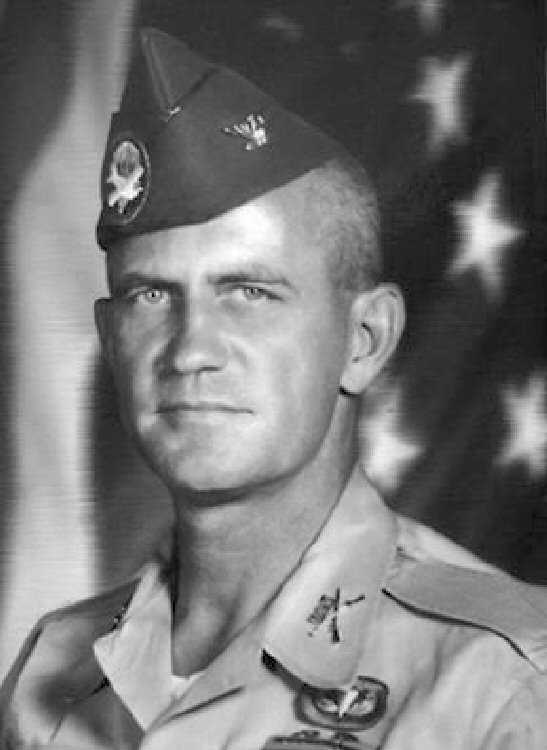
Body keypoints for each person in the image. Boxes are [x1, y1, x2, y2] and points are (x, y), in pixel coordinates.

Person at [1, 26, 546, 750]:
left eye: (249, 292)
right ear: (110, 338)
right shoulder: (55, 670)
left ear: (364, 339)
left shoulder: (499, 681)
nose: (190, 351)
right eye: (150, 296)